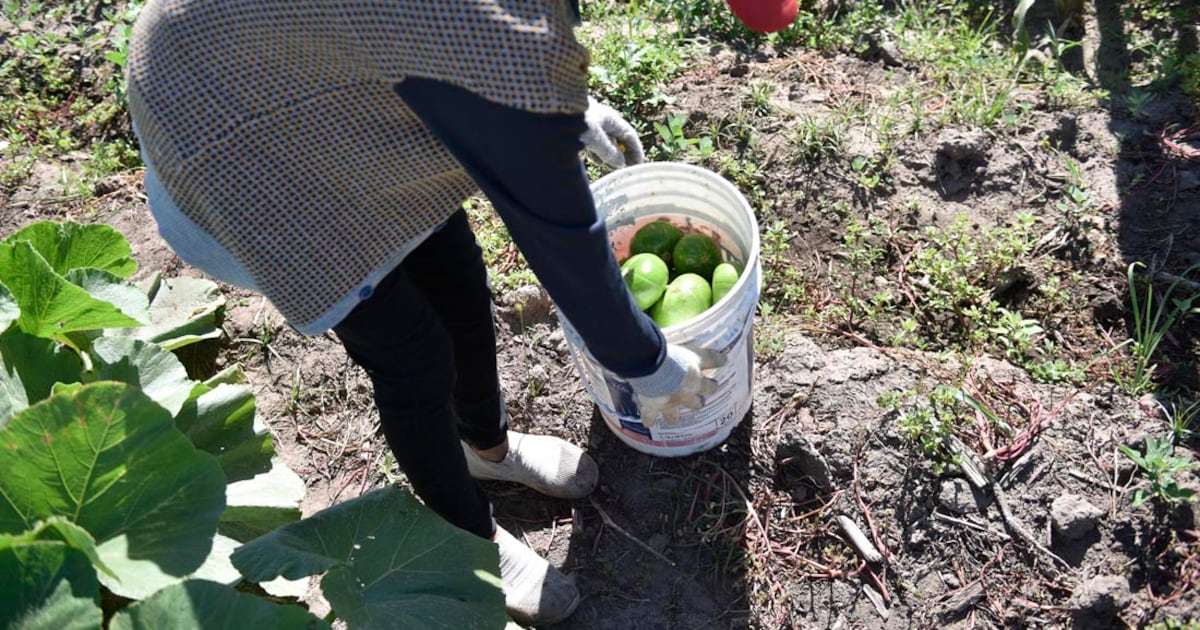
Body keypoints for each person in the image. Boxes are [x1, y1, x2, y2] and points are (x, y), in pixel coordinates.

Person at [125, 0, 795, 624]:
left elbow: (443, 47)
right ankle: (466, 538)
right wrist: (644, 360)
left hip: (325, 88)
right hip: (227, 139)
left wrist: (553, 103)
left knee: (459, 283)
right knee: (413, 356)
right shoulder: (479, 15)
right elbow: (553, 228)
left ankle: (488, 449)